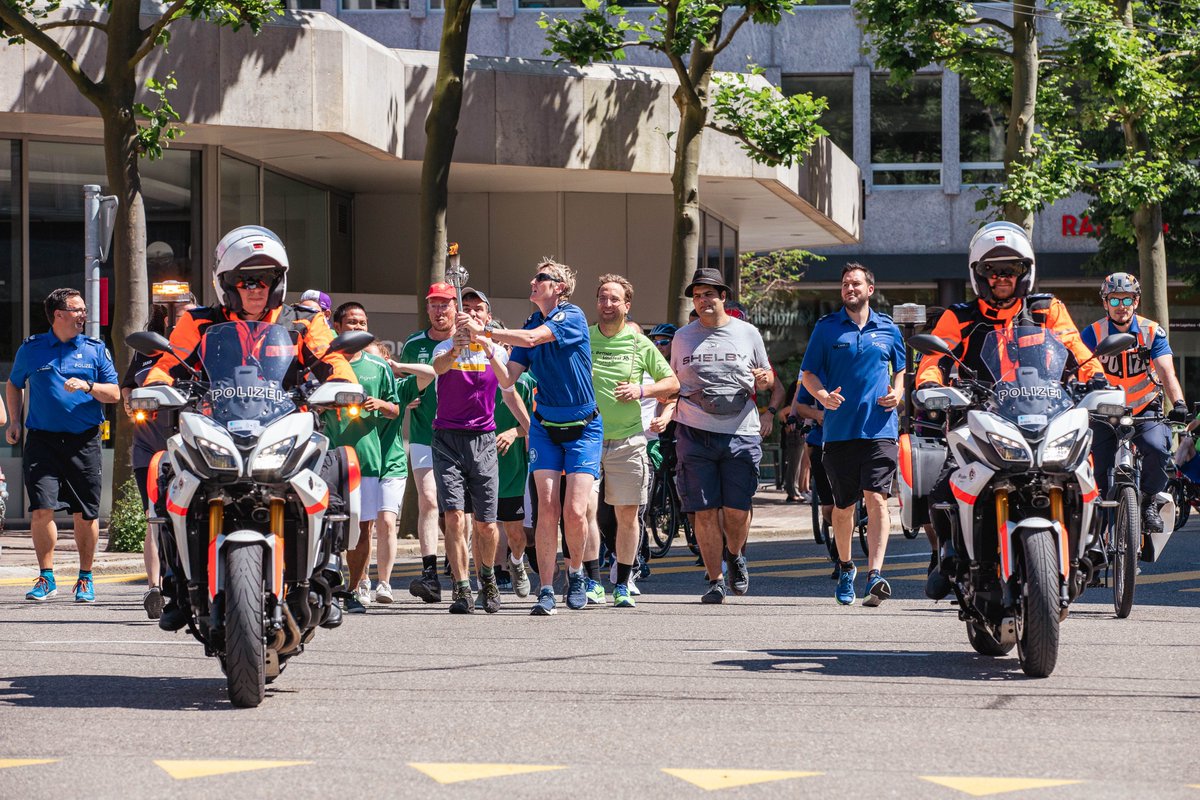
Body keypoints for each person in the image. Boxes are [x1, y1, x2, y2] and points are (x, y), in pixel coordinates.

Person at [145, 225, 355, 630]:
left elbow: (333, 359)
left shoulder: (303, 321)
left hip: (284, 426)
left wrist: (343, 385)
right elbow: (169, 363)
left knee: (335, 467)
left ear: (279, 282)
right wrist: (155, 388)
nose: (257, 288)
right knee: (165, 470)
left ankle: (326, 576)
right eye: (246, 280)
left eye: (266, 279)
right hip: (216, 427)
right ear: (227, 283)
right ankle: (177, 583)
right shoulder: (198, 322)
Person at [917, 221, 1100, 600]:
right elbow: (935, 358)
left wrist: (1096, 378)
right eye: (993, 270)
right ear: (979, 274)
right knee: (942, 487)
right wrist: (931, 385)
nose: (1002, 277)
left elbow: (1075, 348)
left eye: (1011, 269)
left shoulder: (1047, 310)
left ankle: (1090, 541)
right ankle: (945, 556)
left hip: (1046, 413)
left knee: (1084, 468)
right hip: (980, 417)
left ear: (1024, 273)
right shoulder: (960, 316)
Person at [486, 260, 602, 616]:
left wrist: (487, 330)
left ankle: (577, 575)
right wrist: (487, 346)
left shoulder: (572, 316)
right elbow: (508, 378)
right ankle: (547, 589)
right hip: (545, 428)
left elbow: (534, 339)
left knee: (575, 511)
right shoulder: (529, 324)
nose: (533, 281)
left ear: (559, 287)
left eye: (541, 277)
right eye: (534, 276)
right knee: (546, 510)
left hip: (583, 427)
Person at [801, 263, 906, 607]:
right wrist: (822, 397)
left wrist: (898, 394)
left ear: (869, 289)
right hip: (839, 432)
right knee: (843, 507)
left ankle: (875, 574)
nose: (850, 288)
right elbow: (808, 374)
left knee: (876, 498)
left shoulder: (888, 328)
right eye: (845, 284)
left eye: (856, 283)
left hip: (880, 429)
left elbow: (901, 370)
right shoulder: (826, 328)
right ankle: (847, 566)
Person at [7, 288, 120, 602]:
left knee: (86, 514)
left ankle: (85, 578)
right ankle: (46, 577)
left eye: (84, 309)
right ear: (58, 314)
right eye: (77, 309)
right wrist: (15, 421)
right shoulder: (32, 348)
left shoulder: (95, 350)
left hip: (84, 441)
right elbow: (14, 384)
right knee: (41, 509)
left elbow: (115, 394)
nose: (84, 314)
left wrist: (88, 385)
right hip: (42, 440)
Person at [670, 267, 773, 605]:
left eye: (709, 294)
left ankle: (735, 554)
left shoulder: (747, 333)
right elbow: (672, 381)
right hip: (694, 430)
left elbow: (768, 377)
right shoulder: (682, 337)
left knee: (736, 510)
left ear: (723, 297)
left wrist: (764, 380)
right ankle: (715, 579)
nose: (703, 301)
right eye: (698, 296)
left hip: (740, 431)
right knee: (703, 510)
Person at [325, 302, 434, 612]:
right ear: (337, 326)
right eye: (351, 322)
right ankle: (329, 584)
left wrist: (381, 404)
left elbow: (395, 408)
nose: (357, 327)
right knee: (329, 528)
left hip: (369, 461)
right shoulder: (325, 362)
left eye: (362, 323)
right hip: (331, 460)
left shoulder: (378, 366)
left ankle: (355, 588)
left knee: (363, 528)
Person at [432, 288, 525, 614]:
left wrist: (485, 345)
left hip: (484, 440)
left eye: (478, 309)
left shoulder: (497, 351)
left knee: (486, 524)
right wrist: (455, 349)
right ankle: (461, 588)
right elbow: (439, 368)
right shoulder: (446, 346)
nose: (472, 313)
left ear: (487, 316)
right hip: (447, 440)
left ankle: (487, 577)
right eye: (467, 308)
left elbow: (508, 386)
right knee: (454, 517)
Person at [588, 275, 679, 609]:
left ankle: (623, 583)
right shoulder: (584, 337)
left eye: (614, 299)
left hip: (628, 441)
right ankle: (591, 581)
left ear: (627, 305)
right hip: (587, 438)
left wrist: (641, 390)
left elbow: (672, 383)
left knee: (627, 514)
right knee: (585, 513)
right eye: (602, 298)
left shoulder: (640, 343)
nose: (607, 304)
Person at [1081, 272, 1188, 533]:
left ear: (1136, 301)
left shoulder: (1152, 331)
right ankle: (1100, 531)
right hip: (1104, 412)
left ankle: (1148, 500)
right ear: (1105, 303)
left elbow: (1166, 371)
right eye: (1114, 300)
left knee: (1157, 449)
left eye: (1127, 299)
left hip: (1144, 408)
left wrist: (1179, 403)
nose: (1121, 306)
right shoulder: (1092, 334)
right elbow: (1079, 369)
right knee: (1099, 469)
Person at [121, 299, 196, 618]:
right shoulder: (148, 350)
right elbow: (127, 386)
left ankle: (190, 582)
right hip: (149, 448)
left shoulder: (204, 348)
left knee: (190, 514)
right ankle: (154, 587)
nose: (184, 320)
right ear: (165, 320)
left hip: (192, 447)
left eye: (189, 315)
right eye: (177, 315)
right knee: (155, 514)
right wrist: (129, 402)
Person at [400, 283, 458, 604]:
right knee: (429, 501)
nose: (439, 311)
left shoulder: (464, 341)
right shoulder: (414, 343)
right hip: (424, 434)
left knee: (456, 508)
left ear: (454, 307)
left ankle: (458, 569)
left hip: (459, 434)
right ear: (427, 309)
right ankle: (429, 574)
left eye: (445, 305)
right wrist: (406, 397)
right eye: (434, 305)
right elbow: (402, 383)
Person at [486, 319, 536, 598]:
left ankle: (516, 561)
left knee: (516, 533)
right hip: (481, 464)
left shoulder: (525, 383)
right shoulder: (474, 379)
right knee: (484, 527)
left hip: (513, 465)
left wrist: (513, 432)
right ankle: (487, 580)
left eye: (500, 345)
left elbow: (534, 426)